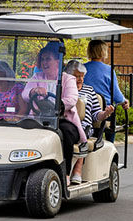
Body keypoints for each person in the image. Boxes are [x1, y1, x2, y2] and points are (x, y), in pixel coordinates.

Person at [22, 42, 86, 182]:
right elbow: (25, 94)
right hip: (40, 119)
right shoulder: (37, 78)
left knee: (65, 133)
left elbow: (71, 99)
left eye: (48, 59)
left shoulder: (68, 79)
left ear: (58, 61)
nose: (45, 62)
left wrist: (56, 105)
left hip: (63, 119)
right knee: (24, 130)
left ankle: (65, 174)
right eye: (43, 59)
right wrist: (34, 90)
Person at [65, 60, 114, 184]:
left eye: (82, 76)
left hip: (84, 127)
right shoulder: (65, 90)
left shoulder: (89, 91)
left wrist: (105, 113)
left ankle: (77, 169)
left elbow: (96, 115)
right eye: (76, 76)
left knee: (78, 132)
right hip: (66, 122)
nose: (80, 79)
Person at [83, 40, 129, 142]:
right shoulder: (108, 70)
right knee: (110, 133)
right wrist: (124, 101)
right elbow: (116, 95)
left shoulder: (83, 68)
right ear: (103, 52)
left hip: (86, 109)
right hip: (105, 109)